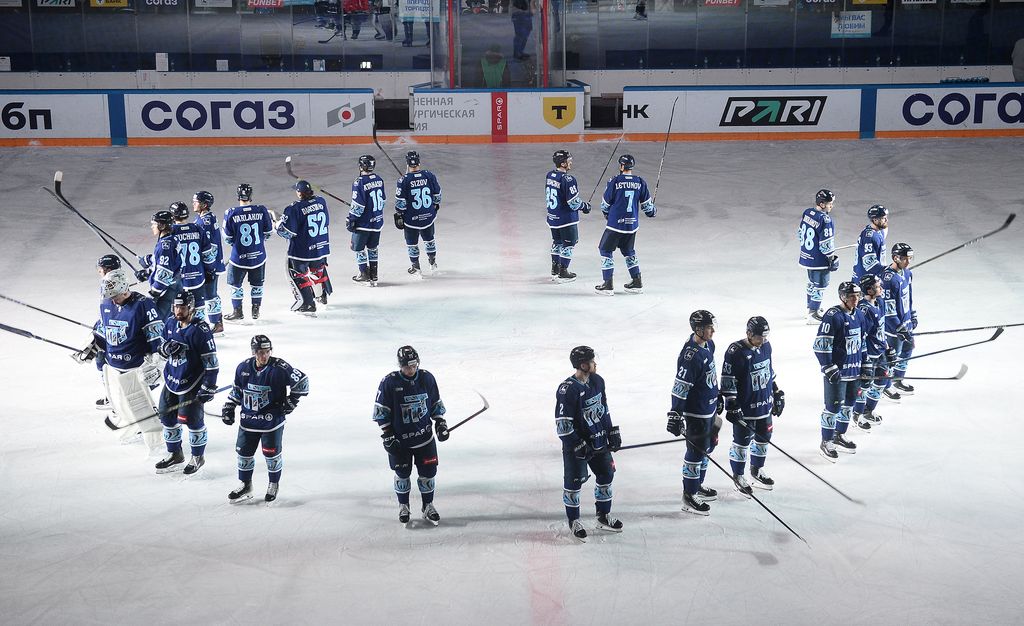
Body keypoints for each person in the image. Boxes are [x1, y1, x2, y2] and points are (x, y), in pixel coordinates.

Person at [82, 269, 165, 452]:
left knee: (141, 406)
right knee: (120, 404)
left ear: (125, 289)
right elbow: (103, 329)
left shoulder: (144, 305)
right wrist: (92, 345)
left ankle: (157, 444)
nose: (112, 300)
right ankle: (131, 427)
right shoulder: (106, 302)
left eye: (115, 296)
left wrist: (156, 361)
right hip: (112, 367)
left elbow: (156, 336)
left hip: (135, 367)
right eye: (109, 297)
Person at [221, 335, 309, 503]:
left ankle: (273, 484)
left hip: (271, 422)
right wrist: (229, 406)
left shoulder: (280, 367)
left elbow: (303, 382)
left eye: (268, 351)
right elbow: (238, 390)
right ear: (254, 352)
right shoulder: (243, 367)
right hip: (248, 421)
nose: (265, 356)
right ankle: (245, 485)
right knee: (243, 453)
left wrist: (292, 401)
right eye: (261, 352)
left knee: (271, 455)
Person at [372, 346, 448, 525]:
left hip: (425, 439)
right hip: (401, 442)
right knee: (402, 474)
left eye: (414, 366)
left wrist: (440, 423)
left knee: (428, 474)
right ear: (400, 366)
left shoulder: (427, 378)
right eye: (407, 367)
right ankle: (403, 506)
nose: (411, 370)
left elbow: (435, 403)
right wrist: (388, 435)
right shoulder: (389, 382)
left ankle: (427, 505)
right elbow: (381, 411)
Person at [555, 346, 623, 542]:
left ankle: (603, 515)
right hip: (577, 447)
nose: (595, 363)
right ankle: (574, 520)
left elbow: (604, 409)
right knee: (574, 482)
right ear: (583, 365)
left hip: (599, 441)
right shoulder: (568, 389)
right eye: (592, 361)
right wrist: (577, 443)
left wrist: (611, 431)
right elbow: (563, 425)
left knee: (606, 474)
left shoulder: (598, 381)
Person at [154, 290, 220, 475]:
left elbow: (211, 362)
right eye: (176, 307)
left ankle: (198, 456)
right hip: (171, 379)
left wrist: (209, 386)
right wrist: (165, 349)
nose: (178, 310)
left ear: (191, 308)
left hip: (192, 382)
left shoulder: (201, 330)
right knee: (167, 418)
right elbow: (160, 347)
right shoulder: (170, 323)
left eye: (182, 307)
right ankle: (175, 454)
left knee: (192, 421)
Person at [667, 310, 722, 515]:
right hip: (696, 412)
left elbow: (710, 376)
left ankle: (697, 484)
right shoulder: (690, 356)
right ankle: (689, 494)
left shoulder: (709, 345)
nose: (713, 331)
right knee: (696, 452)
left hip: (709, 408)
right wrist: (675, 413)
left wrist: (717, 395)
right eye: (709, 327)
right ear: (698, 329)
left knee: (709, 445)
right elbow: (680, 386)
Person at [721, 316, 784, 494]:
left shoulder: (766, 346)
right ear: (749, 333)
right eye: (759, 337)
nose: (762, 340)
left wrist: (776, 392)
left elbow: (768, 371)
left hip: (764, 405)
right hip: (746, 409)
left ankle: (756, 469)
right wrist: (732, 403)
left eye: (765, 336)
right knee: (742, 442)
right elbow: (728, 380)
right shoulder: (735, 351)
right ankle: (738, 475)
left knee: (764, 438)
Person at [812, 281, 866, 462]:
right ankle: (826, 441)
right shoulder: (833, 316)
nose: (855, 299)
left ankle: (839, 434)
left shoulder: (859, 314)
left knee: (849, 403)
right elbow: (820, 344)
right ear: (843, 297)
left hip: (854, 370)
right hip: (838, 373)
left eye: (857, 296)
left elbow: (862, 342)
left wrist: (865, 363)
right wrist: (828, 366)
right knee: (833, 407)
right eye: (851, 296)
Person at [595, 154, 655, 295]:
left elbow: (605, 204)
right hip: (631, 226)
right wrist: (652, 211)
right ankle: (637, 281)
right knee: (629, 251)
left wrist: (607, 214)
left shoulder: (615, 181)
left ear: (621, 166)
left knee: (605, 249)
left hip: (615, 225)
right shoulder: (640, 182)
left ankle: (608, 284)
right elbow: (648, 208)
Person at [222, 183, 275, 322]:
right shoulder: (261, 210)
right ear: (251, 196)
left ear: (238, 196)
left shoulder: (231, 212)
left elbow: (227, 237)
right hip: (258, 256)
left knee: (235, 284)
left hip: (238, 257)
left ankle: (237, 311)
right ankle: (255, 310)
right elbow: (269, 232)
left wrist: (236, 244)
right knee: (257, 284)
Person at [278, 180, 332, 314]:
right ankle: (321, 295)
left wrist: (277, 226)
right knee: (317, 270)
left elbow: (287, 232)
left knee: (297, 274)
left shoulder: (294, 208)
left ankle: (307, 303)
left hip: (302, 251)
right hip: (320, 247)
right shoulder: (321, 201)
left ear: (299, 193)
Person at [394, 151, 442, 277]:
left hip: (412, 219)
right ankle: (432, 262)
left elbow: (400, 203)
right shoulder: (429, 175)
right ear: (419, 162)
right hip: (428, 216)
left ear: (407, 163)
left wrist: (399, 213)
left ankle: (416, 267)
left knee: (412, 243)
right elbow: (437, 196)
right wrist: (434, 207)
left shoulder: (403, 180)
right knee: (429, 239)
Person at [545, 149, 591, 283]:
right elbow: (574, 203)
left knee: (557, 242)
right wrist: (585, 206)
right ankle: (563, 272)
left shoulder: (550, 175)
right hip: (566, 219)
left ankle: (555, 269)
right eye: (568, 160)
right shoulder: (568, 179)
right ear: (563, 163)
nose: (571, 162)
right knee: (569, 244)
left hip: (553, 217)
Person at [881, 242, 916, 400]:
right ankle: (884, 385)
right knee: (891, 357)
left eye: (910, 258)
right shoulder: (888, 279)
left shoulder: (907, 273)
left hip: (905, 322)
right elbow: (888, 310)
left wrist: (912, 315)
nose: (908, 262)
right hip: (893, 327)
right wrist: (898, 327)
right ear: (895, 258)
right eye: (905, 258)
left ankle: (897, 379)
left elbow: (909, 297)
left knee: (908, 349)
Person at [798, 189, 839, 323]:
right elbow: (826, 244)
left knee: (811, 282)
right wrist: (831, 258)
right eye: (829, 203)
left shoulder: (807, 212)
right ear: (822, 204)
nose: (831, 206)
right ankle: (813, 313)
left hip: (807, 256)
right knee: (821, 284)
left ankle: (809, 307)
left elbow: (800, 233)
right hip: (819, 260)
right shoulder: (825, 219)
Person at [170, 201, 214, 322]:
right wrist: (209, 270)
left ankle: (179, 330)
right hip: (197, 276)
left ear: (173, 216)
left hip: (179, 278)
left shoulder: (171, 232)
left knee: (177, 307)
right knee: (199, 305)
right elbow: (208, 254)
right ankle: (199, 328)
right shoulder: (197, 228)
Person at [853, 273, 888, 429]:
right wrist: (865, 359)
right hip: (869, 355)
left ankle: (868, 410)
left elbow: (881, 329)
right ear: (869, 290)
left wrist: (887, 347)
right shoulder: (864, 309)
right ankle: (857, 414)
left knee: (882, 380)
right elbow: (861, 336)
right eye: (877, 287)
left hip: (879, 351)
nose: (881, 288)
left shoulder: (879, 303)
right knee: (865, 385)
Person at [348, 155, 387, 287]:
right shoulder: (379, 179)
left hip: (363, 223)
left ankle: (364, 273)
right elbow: (383, 201)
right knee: (372, 248)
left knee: (358, 248)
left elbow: (358, 206)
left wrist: (351, 218)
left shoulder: (359, 182)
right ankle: (374, 275)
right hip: (377, 222)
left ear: (361, 166)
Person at [137, 209, 181, 321]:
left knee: (158, 321)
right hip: (175, 286)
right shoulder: (171, 240)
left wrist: (154, 293)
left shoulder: (164, 246)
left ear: (161, 226)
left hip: (168, 291)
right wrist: (147, 272)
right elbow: (166, 264)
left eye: (154, 224)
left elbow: (164, 274)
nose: (152, 227)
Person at [193, 191, 226, 335]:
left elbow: (210, 246)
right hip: (212, 264)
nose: (193, 204)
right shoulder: (207, 217)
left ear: (204, 204)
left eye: (196, 202)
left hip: (210, 265)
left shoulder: (204, 222)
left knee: (209, 294)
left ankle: (216, 323)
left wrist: (209, 268)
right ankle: (216, 322)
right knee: (210, 293)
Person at [852, 204, 888, 283]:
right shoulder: (869, 237)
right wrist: (888, 270)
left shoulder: (879, 231)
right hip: (865, 280)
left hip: (874, 277)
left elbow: (885, 229)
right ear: (875, 220)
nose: (886, 220)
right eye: (883, 218)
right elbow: (869, 264)